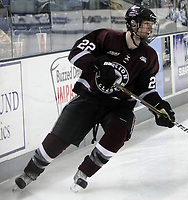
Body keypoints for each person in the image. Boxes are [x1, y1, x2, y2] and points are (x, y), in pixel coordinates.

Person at [14, 4, 175, 191]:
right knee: (59, 139)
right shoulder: (106, 37)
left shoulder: (149, 56)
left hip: (120, 106)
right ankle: (30, 172)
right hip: (90, 97)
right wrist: (99, 64)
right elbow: (75, 54)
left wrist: (159, 107)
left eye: (151, 25)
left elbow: (145, 90)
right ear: (132, 24)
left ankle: (84, 172)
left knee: (118, 134)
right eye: (146, 24)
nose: (150, 29)